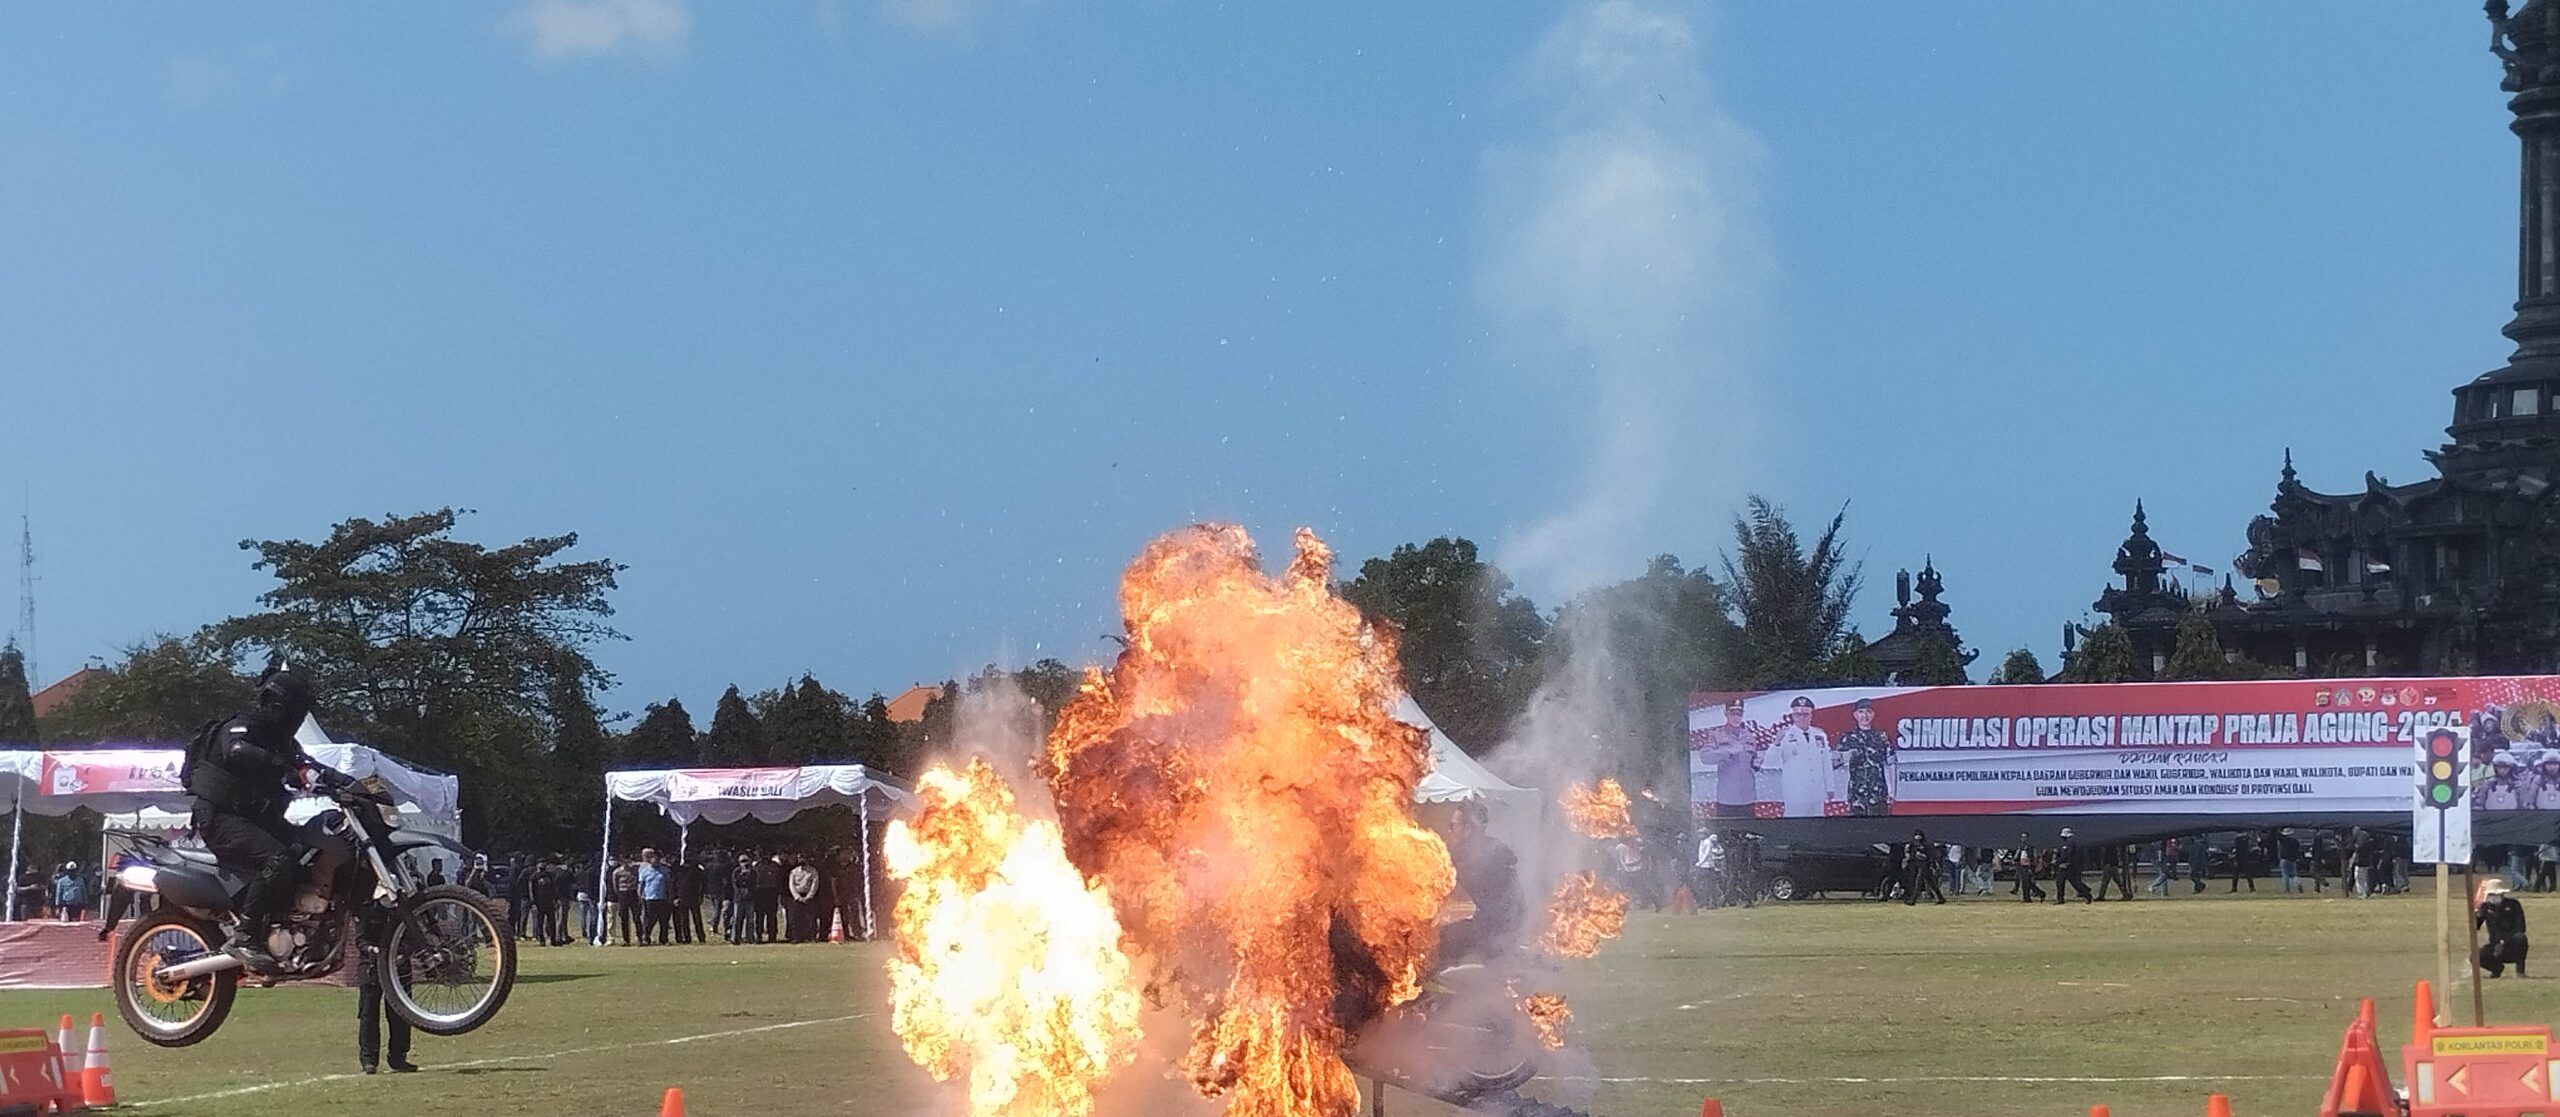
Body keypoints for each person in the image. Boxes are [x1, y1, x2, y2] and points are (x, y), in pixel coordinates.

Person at [181, 666, 316, 962]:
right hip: (219, 818)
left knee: (308, 850)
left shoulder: (283, 742)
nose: (295, 719)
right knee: (278, 858)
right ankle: (245, 934)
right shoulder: (242, 725)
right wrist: (278, 764)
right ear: (277, 705)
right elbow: (236, 750)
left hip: (255, 820)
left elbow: (308, 765)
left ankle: (284, 925)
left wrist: (347, 783)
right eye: (294, 710)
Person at [1435, 801, 1523, 964]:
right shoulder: (1489, 849)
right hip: (1495, 921)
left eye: (1453, 826)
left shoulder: (1489, 853)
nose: (1450, 831)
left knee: (1442, 939)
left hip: (1499, 926)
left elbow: (1504, 902)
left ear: (1467, 829)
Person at [354, 903, 418, 1074]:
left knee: (401, 1014)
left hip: (399, 969)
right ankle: (369, 1059)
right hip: (371, 967)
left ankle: (398, 1058)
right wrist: (373, 950)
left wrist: (402, 954)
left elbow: (413, 938)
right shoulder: (368, 909)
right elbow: (360, 940)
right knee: (368, 1014)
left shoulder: (404, 910)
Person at [1691, 700, 1761, 820]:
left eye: (1739, 714)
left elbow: (1753, 763)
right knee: (1725, 830)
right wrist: (1728, 752)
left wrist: (1757, 764)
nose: (1736, 717)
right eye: (1732, 713)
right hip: (1727, 800)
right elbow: (1705, 757)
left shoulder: (1749, 736)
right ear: (1725, 713)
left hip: (1748, 799)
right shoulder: (1717, 735)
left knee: (1749, 830)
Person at [1767, 697, 1833, 818]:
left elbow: (1826, 762)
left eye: (1805, 714)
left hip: (1817, 793)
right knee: (1795, 827)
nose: (1802, 718)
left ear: (1811, 715)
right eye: (1798, 714)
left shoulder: (1819, 734)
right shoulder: (1785, 735)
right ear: (1793, 716)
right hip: (1795, 794)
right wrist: (1776, 743)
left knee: (1818, 825)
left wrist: (1830, 787)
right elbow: (1769, 763)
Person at [1836, 699, 1892, 816]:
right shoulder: (1847, 738)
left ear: (1873, 714)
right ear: (1855, 715)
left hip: (1878, 794)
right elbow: (1837, 765)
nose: (1865, 716)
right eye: (1861, 712)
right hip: (1856, 795)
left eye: (1868, 711)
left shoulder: (1882, 737)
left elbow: (1890, 764)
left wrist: (1892, 791)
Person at [2478, 879, 2531, 977]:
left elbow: (2521, 927)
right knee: (2476, 956)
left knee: (2521, 938)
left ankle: (2520, 971)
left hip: (2511, 945)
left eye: (2496, 894)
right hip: (2495, 945)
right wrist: (2477, 915)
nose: (2493, 897)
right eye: (2491, 894)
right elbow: (2476, 926)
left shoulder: (2513, 905)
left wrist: (2503, 941)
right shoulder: (2485, 907)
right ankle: (2496, 969)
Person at [638, 849, 672, 946]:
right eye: (653, 859)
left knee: (664, 921)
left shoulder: (664, 871)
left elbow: (668, 884)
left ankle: (663, 939)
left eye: (657, 860)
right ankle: (646, 938)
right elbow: (641, 885)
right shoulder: (644, 871)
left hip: (662, 898)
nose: (655, 861)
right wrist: (640, 897)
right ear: (650, 860)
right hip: (649, 899)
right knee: (649, 921)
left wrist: (670, 896)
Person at [1902, 830, 1945, 906]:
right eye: (1916, 835)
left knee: (1918, 882)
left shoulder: (1926, 844)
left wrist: (1926, 858)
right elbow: (1910, 854)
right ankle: (1941, 898)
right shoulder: (1913, 844)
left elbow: (1931, 855)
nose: (1918, 837)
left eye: (1919, 835)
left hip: (1925, 865)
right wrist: (1913, 854)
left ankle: (1913, 900)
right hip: (1918, 865)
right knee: (1931, 883)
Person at [2052, 829, 2093, 904]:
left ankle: (2061, 899)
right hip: (2071, 865)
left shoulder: (2068, 843)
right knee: (2072, 882)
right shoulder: (2074, 842)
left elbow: (2066, 855)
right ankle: (2086, 894)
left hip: (2067, 866)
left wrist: (2058, 861)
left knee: (2063, 882)